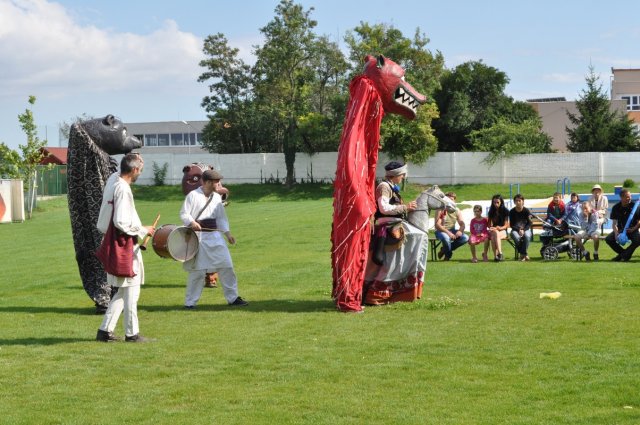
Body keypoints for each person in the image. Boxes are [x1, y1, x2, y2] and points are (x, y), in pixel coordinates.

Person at [96, 153, 155, 343]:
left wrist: (134, 159)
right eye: (140, 170)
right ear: (135, 169)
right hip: (124, 244)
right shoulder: (122, 188)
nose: (140, 173)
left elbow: (118, 173)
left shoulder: (114, 181)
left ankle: (104, 331)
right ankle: (132, 334)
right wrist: (143, 229)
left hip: (118, 242)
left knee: (123, 291)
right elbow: (120, 221)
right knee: (131, 291)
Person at [180, 169, 248, 308]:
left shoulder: (217, 197)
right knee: (198, 272)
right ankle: (190, 303)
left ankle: (233, 298)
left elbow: (221, 218)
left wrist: (228, 234)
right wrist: (192, 222)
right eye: (216, 182)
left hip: (215, 237)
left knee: (227, 266)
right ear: (207, 182)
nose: (218, 184)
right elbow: (184, 214)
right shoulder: (193, 195)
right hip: (198, 237)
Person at [363, 161, 427, 305]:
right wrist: (405, 207)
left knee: (420, 235)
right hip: (388, 224)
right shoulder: (384, 186)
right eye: (402, 175)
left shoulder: (391, 187)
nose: (403, 177)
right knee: (420, 235)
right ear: (396, 174)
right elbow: (384, 208)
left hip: (395, 222)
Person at [605, 188, 640, 261]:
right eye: (627, 197)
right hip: (620, 229)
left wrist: (634, 228)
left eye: (630, 196)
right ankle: (625, 254)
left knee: (638, 240)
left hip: (632, 229)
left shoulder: (635, 206)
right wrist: (616, 233)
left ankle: (621, 256)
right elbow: (614, 223)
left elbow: (639, 221)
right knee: (608, 239)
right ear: (621, 197)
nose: (629, 198)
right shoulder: (615, 207)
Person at [434, 192, 469, 261]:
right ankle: (448, 256)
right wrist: (448, 233)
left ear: (454, 201)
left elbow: (462, 224)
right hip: (440, 231)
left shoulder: (457, 210)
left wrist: (460, 231)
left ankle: (444, 250)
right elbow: (437, 225)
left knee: (465, 238)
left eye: (451, 200)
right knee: (446, 238)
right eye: (448, 199)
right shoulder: (440, 209)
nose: (449, 201)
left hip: (452, 230)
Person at [509, 194, 533, 261]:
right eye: (516, 201)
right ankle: (524, 254)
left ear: (523, 201)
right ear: (514, 202)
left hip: (526, 229)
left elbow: (530, 223)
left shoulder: (526, 211)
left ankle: (522, 255)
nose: (518, 202)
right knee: (516, 236)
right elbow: (511, 225)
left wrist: (523, 230)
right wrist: (519, 229)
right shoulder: (511, 212)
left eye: (519, 200)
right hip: (515, 230)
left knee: (527, 236)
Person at [487, 194, 510, 262]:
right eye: (494, 202)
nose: (496, 204)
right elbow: (489, 224)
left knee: (494, 235)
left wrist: (499, 228)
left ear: (501, 202)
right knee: (494, 234)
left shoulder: (505, 211)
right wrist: (491, 228)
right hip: (494, 230)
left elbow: (506, 225)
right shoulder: (491, 211)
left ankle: (498, 255)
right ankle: (498, 255)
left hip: (503, 230)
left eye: (497, 202)